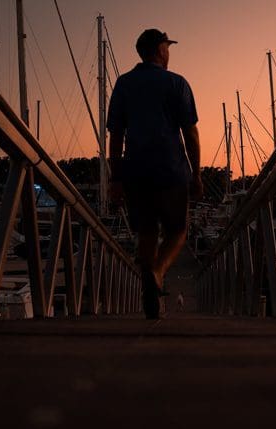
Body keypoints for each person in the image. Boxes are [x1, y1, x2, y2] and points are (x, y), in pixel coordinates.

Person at [107, 28, 203, 319]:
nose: (169, 52)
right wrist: (197, 174)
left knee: (147, 232)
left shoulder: (123, 84)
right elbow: (191, 133)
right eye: (167, 47)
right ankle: (158, 273)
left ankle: (150, 295)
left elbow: (116, 136)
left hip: (136, 170)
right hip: (171, 170)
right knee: (177, 231)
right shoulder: (177, 83)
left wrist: (116, 178)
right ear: (160, 50)